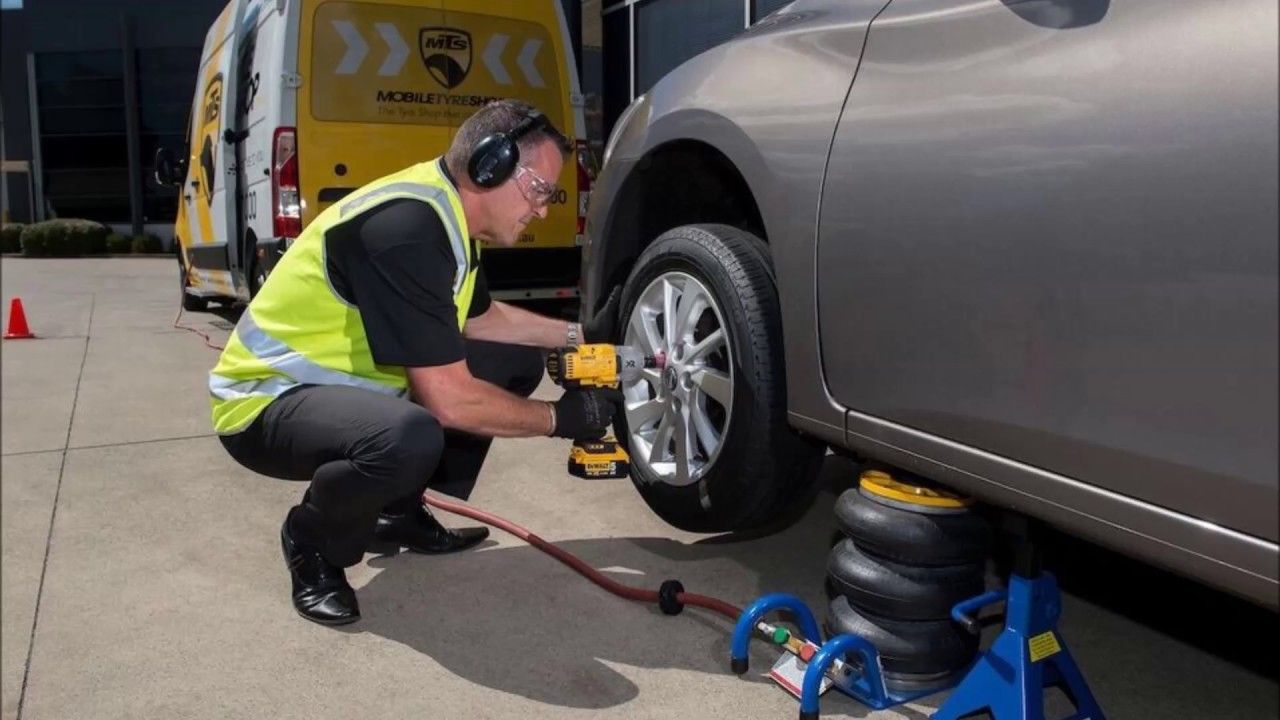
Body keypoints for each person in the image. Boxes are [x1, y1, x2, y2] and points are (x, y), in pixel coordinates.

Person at [208, 99, 622, 626]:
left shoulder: (449, 219)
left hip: (346, 393)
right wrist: (561, 420)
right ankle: (312, 543)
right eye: (539, 190)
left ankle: (397, 512)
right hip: (265, 400)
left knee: (512, 361)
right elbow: (449, 401)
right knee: (409, 436)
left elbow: (482, 319)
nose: (543, 209)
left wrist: (583, 333)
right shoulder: (404, 230)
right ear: (488, 168)